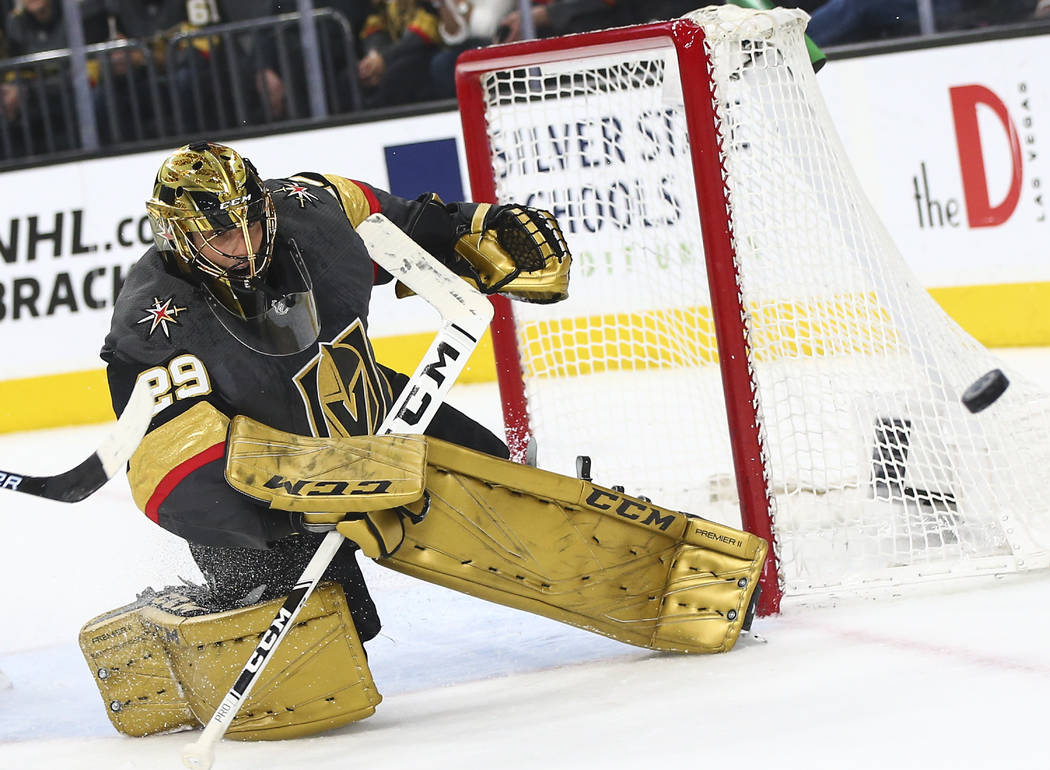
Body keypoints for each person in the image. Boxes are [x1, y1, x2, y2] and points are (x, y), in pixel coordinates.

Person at [99, 140, 571, 638]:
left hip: (374, 416)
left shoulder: (314, 210)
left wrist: (470, 232)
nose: (245, 243)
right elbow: (169, 478)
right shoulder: (150, 326)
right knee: (337, 633)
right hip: (273, 505)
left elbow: (408, 227)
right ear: (176, 234)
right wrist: (303, 509)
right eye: (221, 234)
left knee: (520, 504)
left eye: (251, 221)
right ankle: (220, 607)